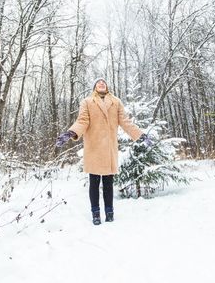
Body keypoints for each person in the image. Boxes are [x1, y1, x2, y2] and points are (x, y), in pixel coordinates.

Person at [55, 78, 151, 225]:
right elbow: (82, 121)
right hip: (93, 147)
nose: (101, 83)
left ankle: (109, 211)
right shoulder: (87, 102)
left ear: (106, 86)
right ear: (94, 86)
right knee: (94, 182)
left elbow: (125, 122)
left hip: (109, 148)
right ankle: (95, 213)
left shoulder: (116, 102)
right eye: (98, 82)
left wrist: (140, 134)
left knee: (108, 183)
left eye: (103, 82)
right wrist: (70, 133)